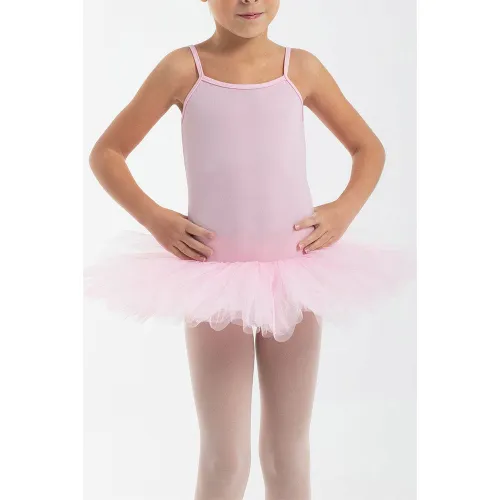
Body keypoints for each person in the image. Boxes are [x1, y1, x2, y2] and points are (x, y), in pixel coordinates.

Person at [84, 1, 414, 498]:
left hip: (295, 274)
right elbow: (107, 153)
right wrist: (156, 219)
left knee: (287, 450)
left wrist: (343, 210)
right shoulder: (183, 69)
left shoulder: (300, 68)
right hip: (213, 278)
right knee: (225, 457)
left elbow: (368, 147)